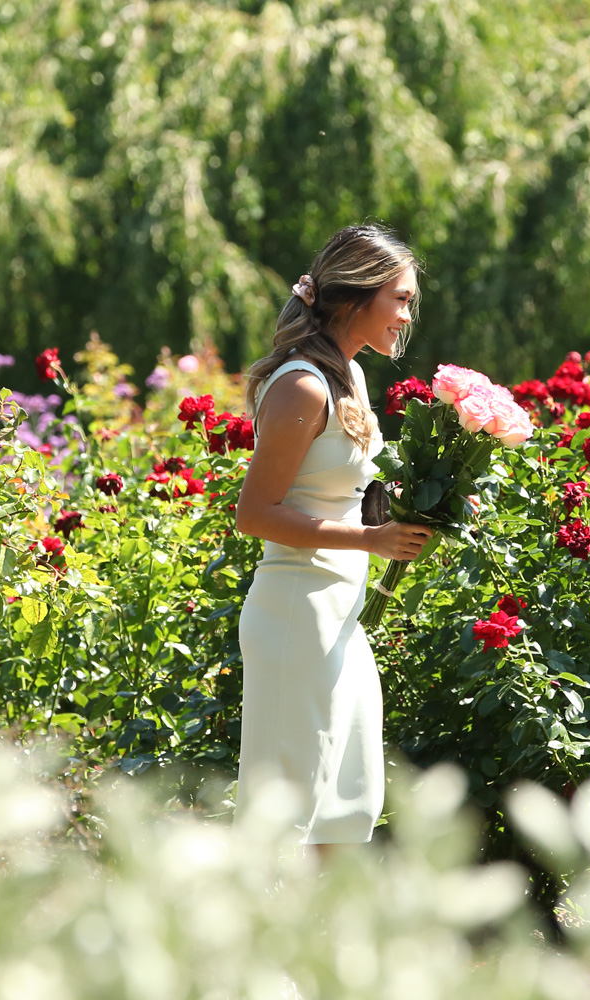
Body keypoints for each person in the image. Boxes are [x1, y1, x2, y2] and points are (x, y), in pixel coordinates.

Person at [234, 225, 435, 848]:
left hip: (338, 611)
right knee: (287, 808)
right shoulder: (303, 384)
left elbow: (339, 492)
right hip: (298, 608)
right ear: (356, 295)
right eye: (400, 298)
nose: (407, 315)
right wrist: (371, 543)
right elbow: (256, 513)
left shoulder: (348, 374)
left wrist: (428, 504)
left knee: (349, 800)